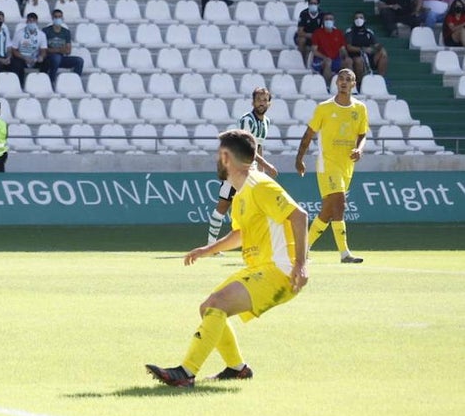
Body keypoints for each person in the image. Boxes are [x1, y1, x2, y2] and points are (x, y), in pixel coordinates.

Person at [146, 129, 308, 387]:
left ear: (225, 156)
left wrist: (300, 264)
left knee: (217, 303)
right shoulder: (243, 191)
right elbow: (241, 234)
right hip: (263, 268)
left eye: (217, 155)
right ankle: (237, 368)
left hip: (280, 271)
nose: (216, 160)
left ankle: (186, 373)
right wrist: (206, 250)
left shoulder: (259, 184)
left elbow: (299, 216)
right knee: (208, 307)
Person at [294, 68, 368, 264]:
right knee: (340, 204)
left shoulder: (360, 108)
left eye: (348, 79)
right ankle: (345, 253)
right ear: (336, 83)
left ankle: (303, 249)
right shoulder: (324, 108)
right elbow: (309, 134)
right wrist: (299, 158)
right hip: (328, 163)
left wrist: (360, 149)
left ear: (354, 84)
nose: (344, 82)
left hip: (347, 165)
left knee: (328, 210)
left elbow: (362, 134)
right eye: (341, 79)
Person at [206, 88, 278, 245]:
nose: (262, 103)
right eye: (259, 99)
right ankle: (211, 244)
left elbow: (258, 147)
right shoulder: (247, 120)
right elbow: (247, 146)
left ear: (269, 104)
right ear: (253, 102)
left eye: (265, 100)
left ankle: (255, 243)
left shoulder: (266, 122)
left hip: (250, 172)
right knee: (223, 206)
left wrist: (262, 171)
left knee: (254, 207)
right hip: (235, 169)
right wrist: (266, 164)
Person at [345, 11, 389, 85]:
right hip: (356, 56)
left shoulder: (368, 32)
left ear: (364, 20)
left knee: (383, 53)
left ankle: (381, 80)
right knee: (358, 60)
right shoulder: (350, 32)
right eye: (356, 18)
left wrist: (380, 47)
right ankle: (361, 83)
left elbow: (376, 44)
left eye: (361, 18)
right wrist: (362, 49)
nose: (358, 20)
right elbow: (349, 47)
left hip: (369, 56)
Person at [309, 12, 350, 84]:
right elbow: (314, 50)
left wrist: (346, 56)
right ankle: (327, 86)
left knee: (348, 61)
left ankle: (348, 85)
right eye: (326, 19)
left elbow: (342, 49)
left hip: (335, 59)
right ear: (323, 21)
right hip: (319, 60)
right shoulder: (317, 33)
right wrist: (325, 57)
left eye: (330, 19)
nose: (328, 21)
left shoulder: (338, 33)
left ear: (334, 21)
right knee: (328, 62)